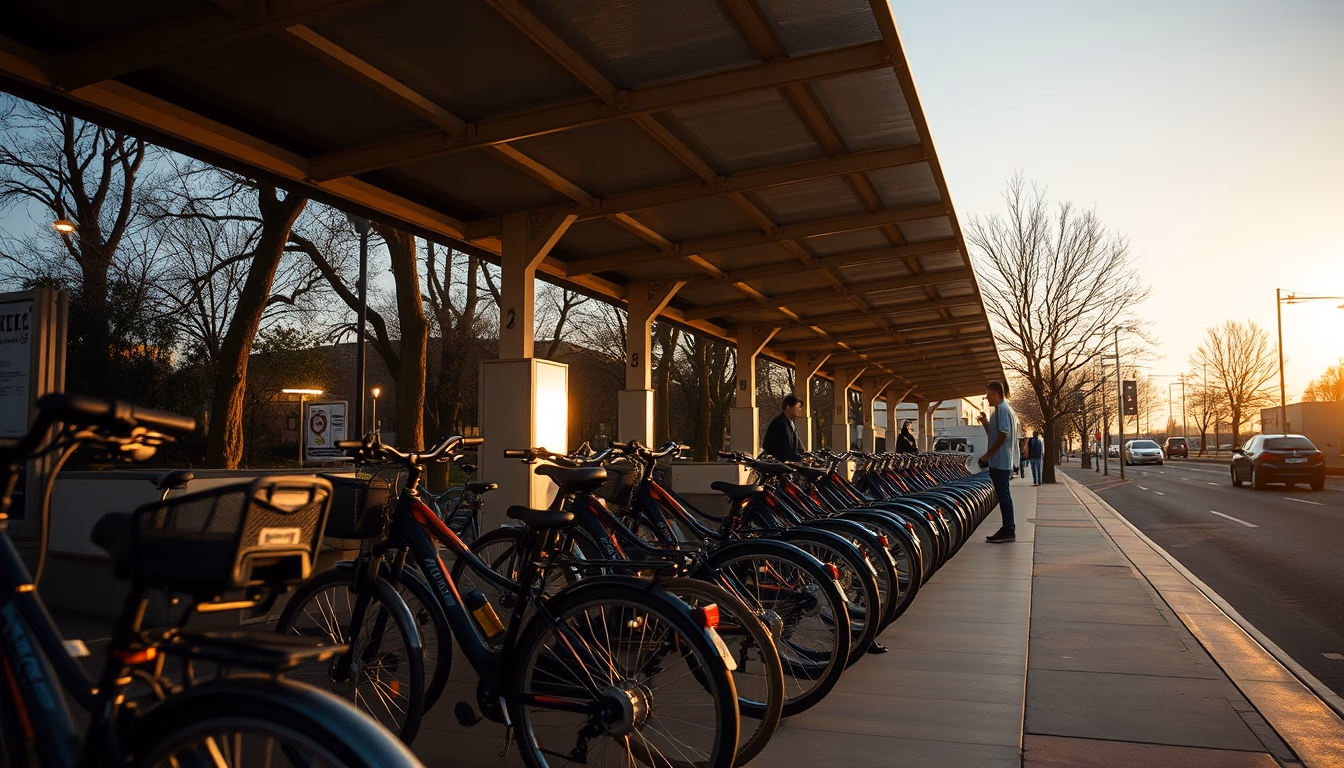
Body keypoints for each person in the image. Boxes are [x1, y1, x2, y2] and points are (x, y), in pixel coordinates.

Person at [977, 381, 1019, 543]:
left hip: (1001, 461)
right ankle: (1007, 527)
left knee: (1004, 495)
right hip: (999, 461)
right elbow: (995, 434)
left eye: (988, 393)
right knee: (1002, 495)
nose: (986, 397)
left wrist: (987, 455)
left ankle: (1009, 529)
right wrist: (986, 423)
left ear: (996, 393)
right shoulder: (999, 411)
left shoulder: (1002, 410)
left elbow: (1003, 436)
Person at [762, 395, 804, 462]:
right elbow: (772, 447)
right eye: (798, 406)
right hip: (780, 466)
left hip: (789, 463)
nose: (800, 409)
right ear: (788, 407)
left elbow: (798, 446)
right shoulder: (778, 423)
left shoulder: (791, 422)